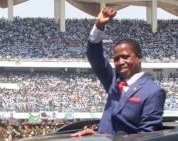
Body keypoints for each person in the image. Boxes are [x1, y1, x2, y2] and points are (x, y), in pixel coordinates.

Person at [71, 7, 166, 136]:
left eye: (126, 57)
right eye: (116, 58)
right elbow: (95, 58)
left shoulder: (153, 92)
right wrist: (99, 26)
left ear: (139, 57)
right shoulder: (113, 80)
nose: (120, 62)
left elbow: (146, 134)